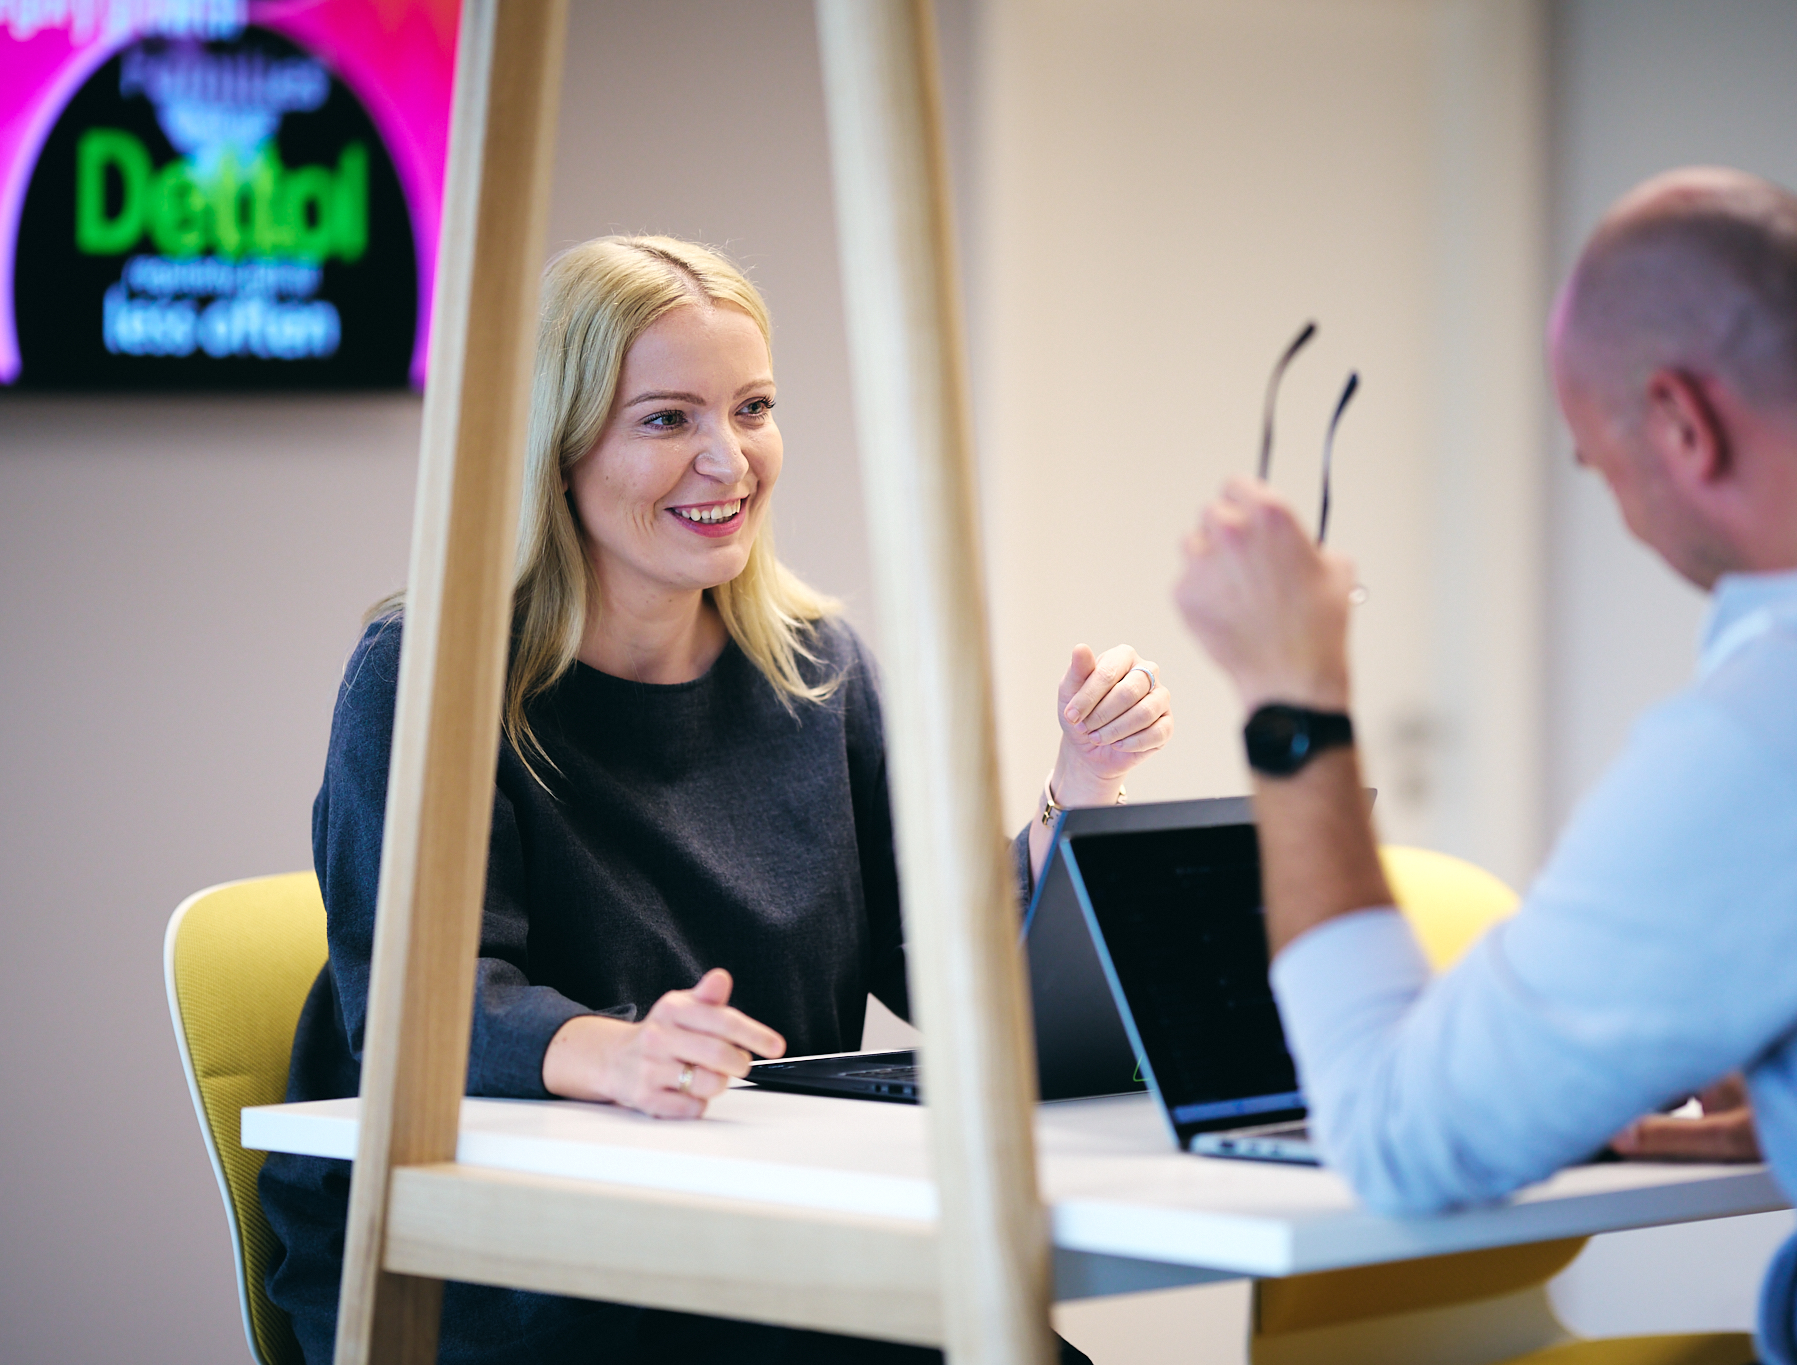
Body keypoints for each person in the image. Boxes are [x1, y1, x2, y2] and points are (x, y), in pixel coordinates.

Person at [1173, 167, 1797, 1365]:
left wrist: (1292, 697)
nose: (1628, 518)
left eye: (1601, 465)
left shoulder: (1787, 729)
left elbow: (1390, 1136)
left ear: (1683, 425)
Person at [260, 236, 1173, 1365]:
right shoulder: (430, 672)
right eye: (666, 419)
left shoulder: (814, 667)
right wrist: (617, 1054)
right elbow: (416, 1008)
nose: (728, 460)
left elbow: (943, 965)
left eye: (751, 408)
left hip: (761, 1227)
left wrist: (1079, 789)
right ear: (555, 448)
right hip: (493, 1260)